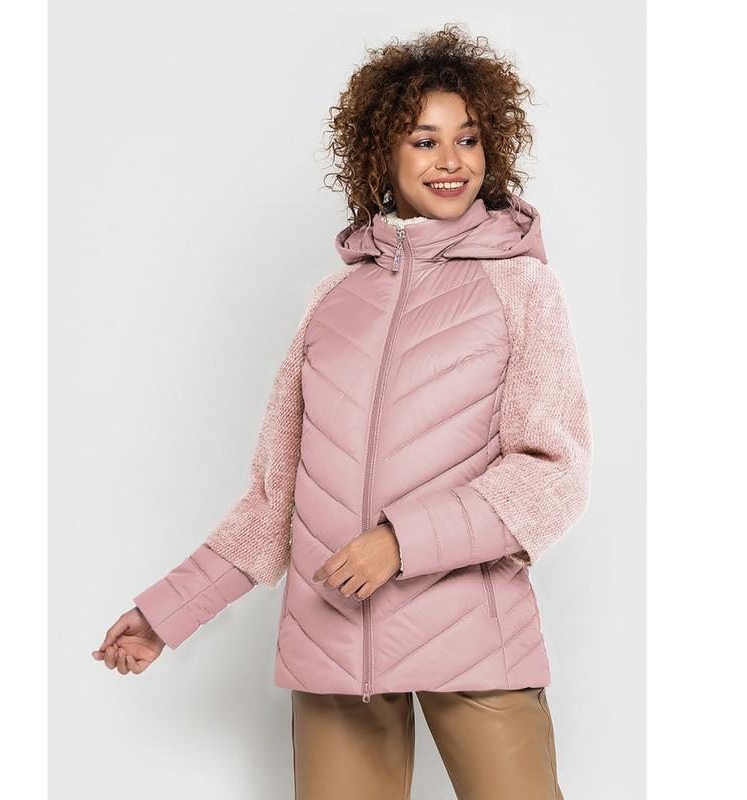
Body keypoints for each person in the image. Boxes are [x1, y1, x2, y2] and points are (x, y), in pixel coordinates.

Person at [92, 24, 592, 800]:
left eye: (468, 138)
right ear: (381, 154)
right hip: (332, 640)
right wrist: (166, 613)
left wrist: (400, 543)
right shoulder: (333, 301)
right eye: (424, 140)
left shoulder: (521, 286)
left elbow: (551, 475)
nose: (452, 160)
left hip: (472, 634)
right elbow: (274, 499)